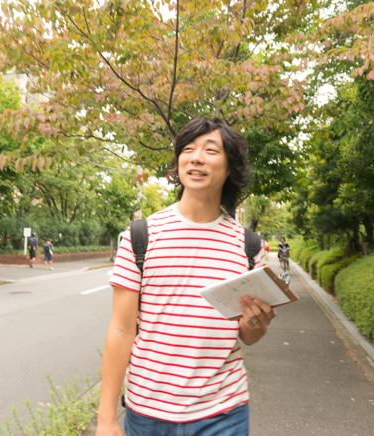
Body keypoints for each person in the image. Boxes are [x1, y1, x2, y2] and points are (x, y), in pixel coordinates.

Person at [96, 117, 276, 436]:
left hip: (224, 412)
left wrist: (255, 323)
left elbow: (248, 336)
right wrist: (106, 419)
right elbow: (121, 329)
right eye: (188, 149)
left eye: (211, 150)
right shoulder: (140, 237)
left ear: (230, 168)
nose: (196, 158)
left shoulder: (250, 246)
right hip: (148, 413)